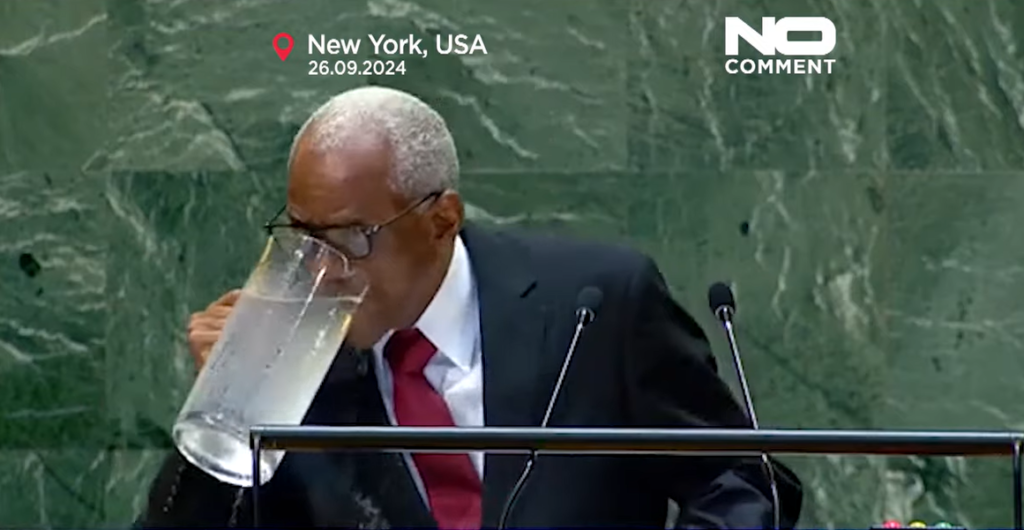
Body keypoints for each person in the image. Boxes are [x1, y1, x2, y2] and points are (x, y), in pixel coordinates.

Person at [138, 86, 803, 529]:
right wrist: (232, 403)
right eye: (303, 236)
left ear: (440, 220)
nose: (321, 268)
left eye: (350, 238)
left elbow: (745, 483)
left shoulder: (596, 308)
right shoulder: (293, 363)